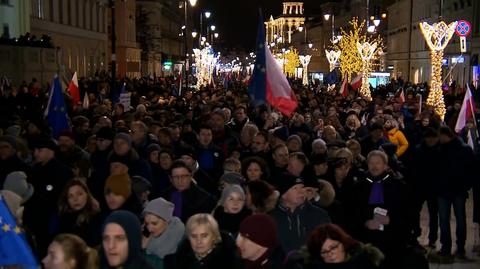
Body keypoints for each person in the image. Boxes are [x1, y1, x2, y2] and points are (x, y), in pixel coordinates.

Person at [270, 174, 331, 252]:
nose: (301, 192)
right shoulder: (271, 217)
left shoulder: (319, 215)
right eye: (295, 188)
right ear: (283, 195)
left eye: (302, 187)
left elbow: (327, 244)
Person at [286, 223, 384, 269]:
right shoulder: (309, 265)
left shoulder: (364, 262)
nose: (330, 254)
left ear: (343, 244)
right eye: (324, 252)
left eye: (333, 247)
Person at [164, 213, 242, 269]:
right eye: (194, 236)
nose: (199, 241)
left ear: (214, 236)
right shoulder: (177, 261)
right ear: (188, 238)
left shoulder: (230, 261)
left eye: (204, 236)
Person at [57, 179, 102, 247]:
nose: (75, 199)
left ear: (87, 194)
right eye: (70, 196)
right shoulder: (64, 220)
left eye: (79, 194)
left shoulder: (96, 217)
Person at [142, 197, 185, 267]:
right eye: (147, 224)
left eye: (154, 223)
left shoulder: (180, 239)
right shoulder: (146, 235)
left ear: (167, 221)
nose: (149, 229)